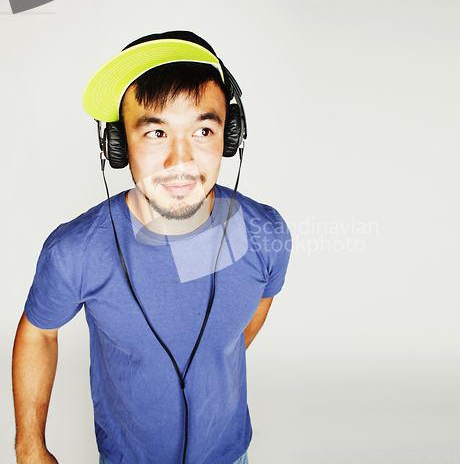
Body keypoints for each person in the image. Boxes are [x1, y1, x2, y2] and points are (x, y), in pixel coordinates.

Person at [12, 31, 291, 464]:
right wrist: (29, 446)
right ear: (119, 145)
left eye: (202, 130)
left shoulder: (265, 233)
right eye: (156, 133)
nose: (179, 160)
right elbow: (39, 333)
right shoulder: (75, 251)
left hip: (231, 454)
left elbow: (257, 307)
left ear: (229, 138)